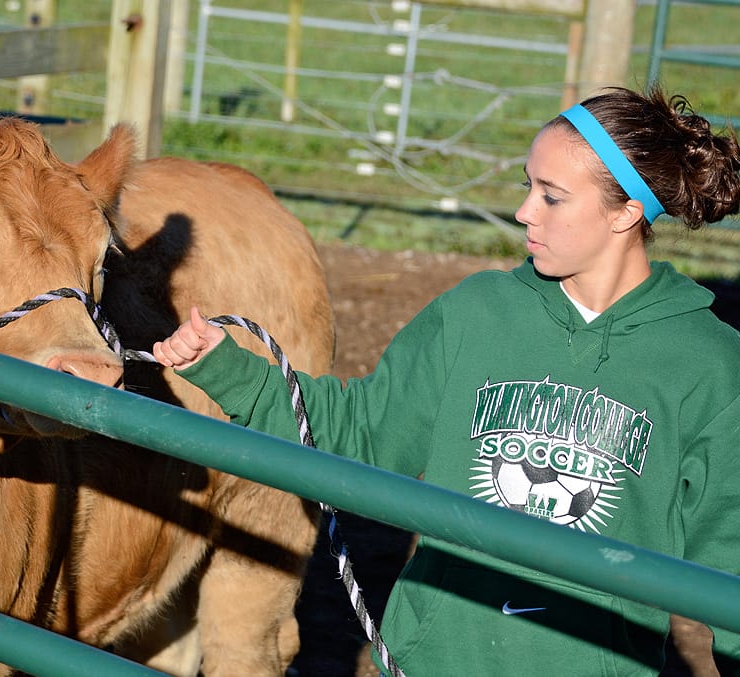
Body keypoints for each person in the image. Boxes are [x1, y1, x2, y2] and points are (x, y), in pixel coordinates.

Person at [152, 86, 740, 676]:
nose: (525, 212)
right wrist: (228, 370)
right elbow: (364, 428)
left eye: (552, 196)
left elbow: (729, 554)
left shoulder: (708, 364)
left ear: (625, 213)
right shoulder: (476, 314)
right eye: (528, 186)